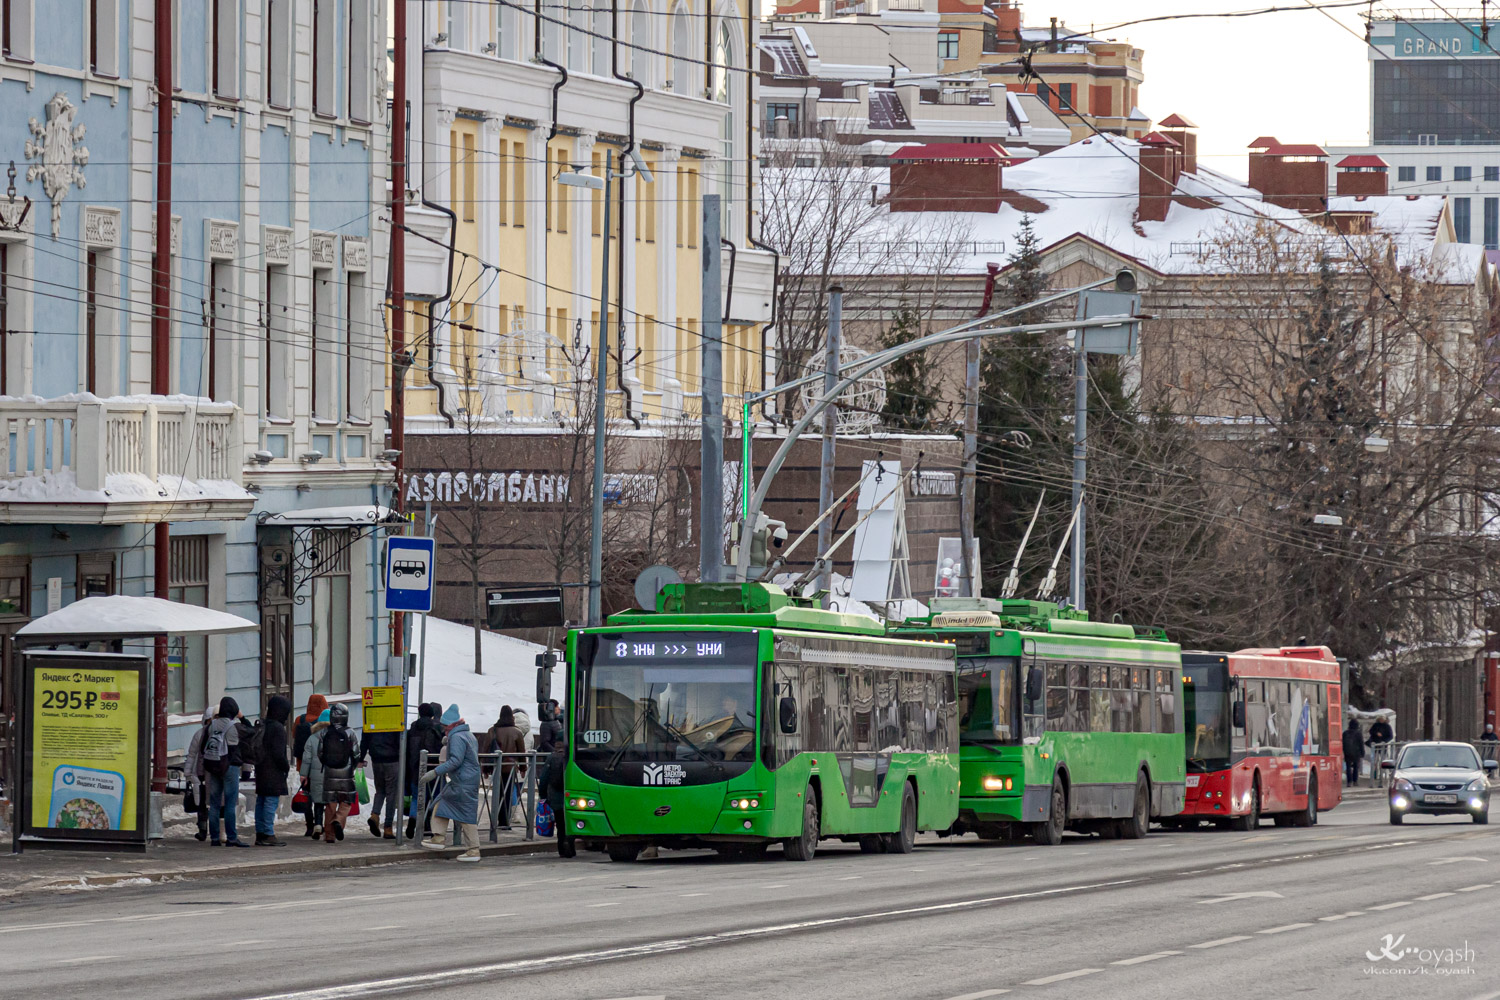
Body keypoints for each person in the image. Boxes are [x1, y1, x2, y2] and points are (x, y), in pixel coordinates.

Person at [420, 704, 482, 862]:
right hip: (467, 780)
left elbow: (455, 760)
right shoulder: (467, 734)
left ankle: (472, 849)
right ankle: (439, 838)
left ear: (453, 725)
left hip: (461, 781)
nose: (443, 729)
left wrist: (435, 772)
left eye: (445, 726)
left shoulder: (457, 737)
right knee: (442, 804)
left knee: (464, 815)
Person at [202, 696, 250, 847]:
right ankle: (231, 837)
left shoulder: (212, 725)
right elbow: (251, 731)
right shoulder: (234, 726)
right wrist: (242, 717)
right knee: (230, 803)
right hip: (230, 766)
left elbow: (203, 744)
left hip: (213, 765)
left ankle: (215, 838)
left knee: (215, 803)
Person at [318, 703, 360, 843]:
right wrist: (352, 765)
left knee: (330, 804)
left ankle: (329, 835)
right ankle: (339, 819)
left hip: (330, 773)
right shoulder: (350, 732)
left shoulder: (324, 732)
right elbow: (356, 753)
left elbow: (320, 752)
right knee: (346, 801)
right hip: (346, 773)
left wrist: (327, 763)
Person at [254, 695, 293, 846]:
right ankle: (268, 834)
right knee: (270, 801)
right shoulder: (278, 728)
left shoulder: (263, 724)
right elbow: (278, 753)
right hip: (273, 771)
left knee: (261, 801)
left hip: (261, 768)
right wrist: (286, 766)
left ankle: (260, 833)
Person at [405, 702, 445, 840]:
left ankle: (412, 819)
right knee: (434, 796)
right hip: (433, 768)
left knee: (417, 797)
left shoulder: (413, 727)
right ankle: (428, 824)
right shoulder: (437, 728)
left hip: (415, 767)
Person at [293, 694, 328, 839]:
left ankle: (309, 826)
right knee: (319, 796)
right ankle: (319, 823)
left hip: (303, 765)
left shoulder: (299, 719)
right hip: (319, 767)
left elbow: (294, 736)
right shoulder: (323, 721)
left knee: (307, 795)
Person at [486, 706, 527, 829]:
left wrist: (485, 769)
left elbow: (486, 750)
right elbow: (521, 752)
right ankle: (504, 822)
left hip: (496, 768)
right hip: (510, 768)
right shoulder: (517, 732)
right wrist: (523, 768)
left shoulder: (492, 730)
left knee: (497, 794)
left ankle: (496, 820)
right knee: (508, 794)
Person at [359, 724, 402, 839]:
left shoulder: (372, 716)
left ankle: (375, 815)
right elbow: (400, 741)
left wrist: (360, 758)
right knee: (391, 794)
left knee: (380, 790)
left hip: (376, 760)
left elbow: (364, 741)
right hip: (392, 759)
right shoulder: (394, 718)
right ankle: (388, 828)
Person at [541, 734, 575, 857]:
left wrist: (543, 796)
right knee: (570, 823)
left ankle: (562, 848)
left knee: (560, 825)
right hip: (571, 796)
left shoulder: (552, 757)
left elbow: (544, 778)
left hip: (555, 797)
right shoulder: (571, 756)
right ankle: (571, 847)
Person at [183, 706, 214, 841]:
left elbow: (191, 755)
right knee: (202, 803)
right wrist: (188, 772)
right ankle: (203, 829)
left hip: (209, 774)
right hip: (199, 775)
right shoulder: (199, 734)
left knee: (208, 803)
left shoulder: (201, 734)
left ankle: (208, 829)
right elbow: (192, 755)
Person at [1341, 718, 1365, 788]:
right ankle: (1355, 781)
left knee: (1348, 767)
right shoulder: (1358, 734)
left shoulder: (1345, 733)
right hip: (1356, 753)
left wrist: (1343, 751)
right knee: (1355, 767)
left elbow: (1342, 743)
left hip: (1347, 752)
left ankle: (1349, 782)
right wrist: (1362, 753)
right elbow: (1361, 744)